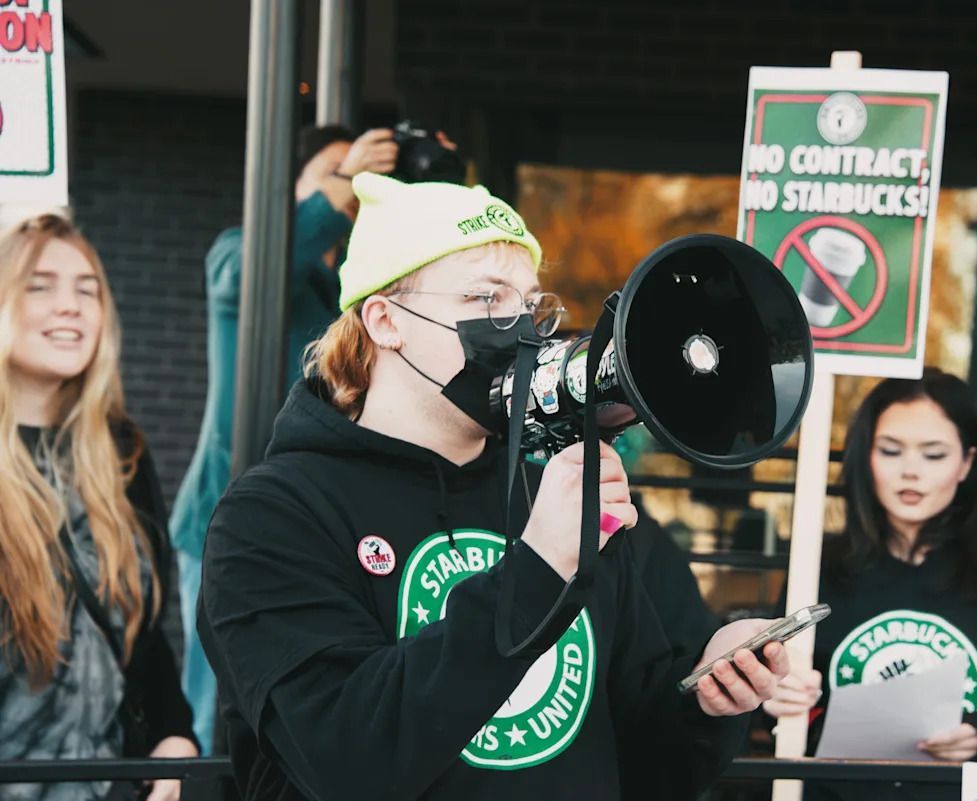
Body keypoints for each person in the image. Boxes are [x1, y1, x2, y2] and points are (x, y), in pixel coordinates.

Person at [197, 173, 790, 800]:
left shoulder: (553, 496)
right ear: (384, 320)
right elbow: (347, 760)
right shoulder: (272, 516)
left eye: (529, 304)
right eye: (485, 297)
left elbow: (639, 766)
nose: (520, 328)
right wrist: (538, 568)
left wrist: (707, 697)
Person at [170, 125, 399, 752]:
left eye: (363, 177)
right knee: (213, 705)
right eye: (334, 172)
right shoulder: (240, 250)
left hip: (315, 520)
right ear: (295, 186)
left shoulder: (352, 289)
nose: (350, 187)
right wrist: (342, 184)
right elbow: (248, 277)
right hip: (223, 509)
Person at [765, 369, 977, 800]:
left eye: (933, 455)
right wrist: (778, 697)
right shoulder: (817, 566)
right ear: (865, 456)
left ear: (967, 463)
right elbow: (770, 698)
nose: (910, 472)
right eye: (890, 451)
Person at [0, 214, 197, 801]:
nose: (71, 305)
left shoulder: (120, 451)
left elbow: (144, 631)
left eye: (88, 291)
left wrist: (174, 734)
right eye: (40, 285)